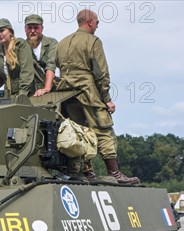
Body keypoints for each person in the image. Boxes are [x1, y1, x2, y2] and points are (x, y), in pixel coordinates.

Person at [56, 10, 139, 185]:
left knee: (78, 132)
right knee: (103, 129)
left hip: (66, 93)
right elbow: (101, 72)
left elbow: (56, 65)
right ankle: (114, 173)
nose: (98, 25)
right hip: (88, 90)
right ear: (90, 22)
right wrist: (106, 98)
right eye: (97, 22)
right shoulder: (93, 41)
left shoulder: (62, 43)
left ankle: (88, 173)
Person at [0, 18, 35, 99]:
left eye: (2, 30)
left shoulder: (21, 45)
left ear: (10, 31)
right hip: (9, 95)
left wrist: (22, 94)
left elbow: (26, 71)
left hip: (29, 94)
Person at [24, 14, 58, 97]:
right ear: (25, 29)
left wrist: (46, 88)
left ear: (42, 28)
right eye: (29, 27)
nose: (32, 31)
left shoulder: (51, 43)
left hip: (50, 87)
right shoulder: (22, 47)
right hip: (30, 90)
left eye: (36, 27)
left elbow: (51, 65)